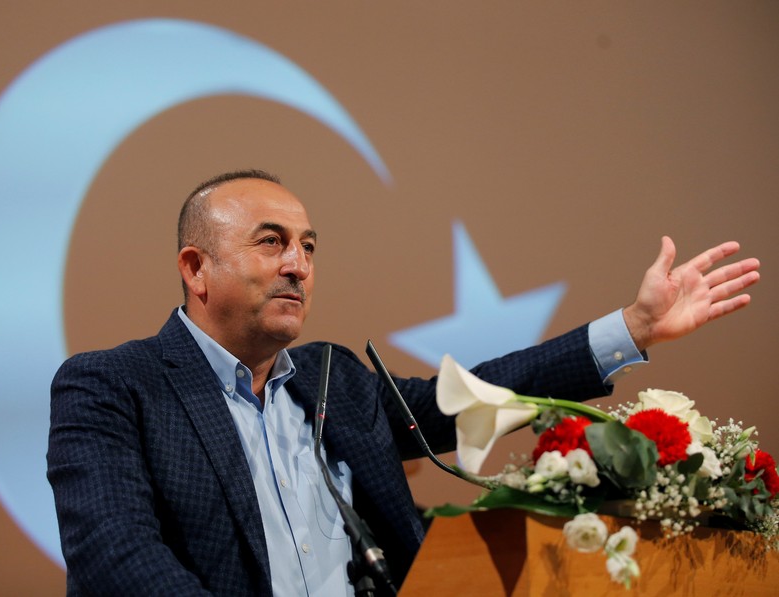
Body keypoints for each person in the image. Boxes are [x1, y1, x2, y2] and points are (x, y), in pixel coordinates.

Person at [47, 169, 760, 596]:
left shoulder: (333, 379)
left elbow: (476, 395)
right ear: (195, 267)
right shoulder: (111, 385)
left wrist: (630, 327)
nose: (298, 263)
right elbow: (118, 560)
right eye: (271, 242)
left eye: (308, 247)